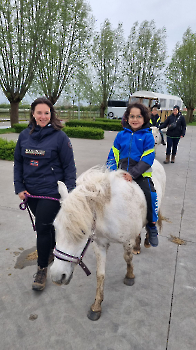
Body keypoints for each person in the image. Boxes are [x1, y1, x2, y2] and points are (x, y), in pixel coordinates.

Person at [14, 97, 76, 291]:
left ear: (51, 114)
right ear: (32, 113)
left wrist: (70, 194)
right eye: (39, 112)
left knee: (41, 228)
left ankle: (42, 269)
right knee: (48, 227)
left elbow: (69, 168)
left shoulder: (60, 137)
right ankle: (50, 251)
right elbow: (18, 164)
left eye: (46, 113)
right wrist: (19, 187)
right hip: (30, 193)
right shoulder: (24, 136)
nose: (43, 116)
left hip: (51, 193)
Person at [107, 102, 159, 247]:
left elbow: (148, 158)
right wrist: (112, 172)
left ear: (144, 118)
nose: (135, 119)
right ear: (127, 118)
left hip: (141, 175)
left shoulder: (148, 137)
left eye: (138, 116)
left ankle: (152, 225)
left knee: (151, 195)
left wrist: (133, 174)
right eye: (132, 116)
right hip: (120, 174)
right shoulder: (121, 135)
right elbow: (113, 155)